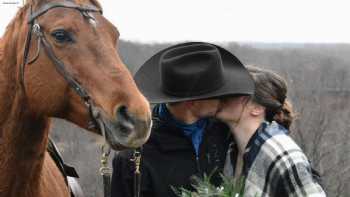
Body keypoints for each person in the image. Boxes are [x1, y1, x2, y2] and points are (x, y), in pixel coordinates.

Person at [111, 42, 255, 197]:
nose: (223, 98)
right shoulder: (134, 159)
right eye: (217, 94)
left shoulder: (227, 132)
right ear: (192, 102)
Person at [217, 66, 326, 196]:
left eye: (234, 94)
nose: (222, 97)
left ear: (257, 108)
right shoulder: (232, 149)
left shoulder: (283, 155)